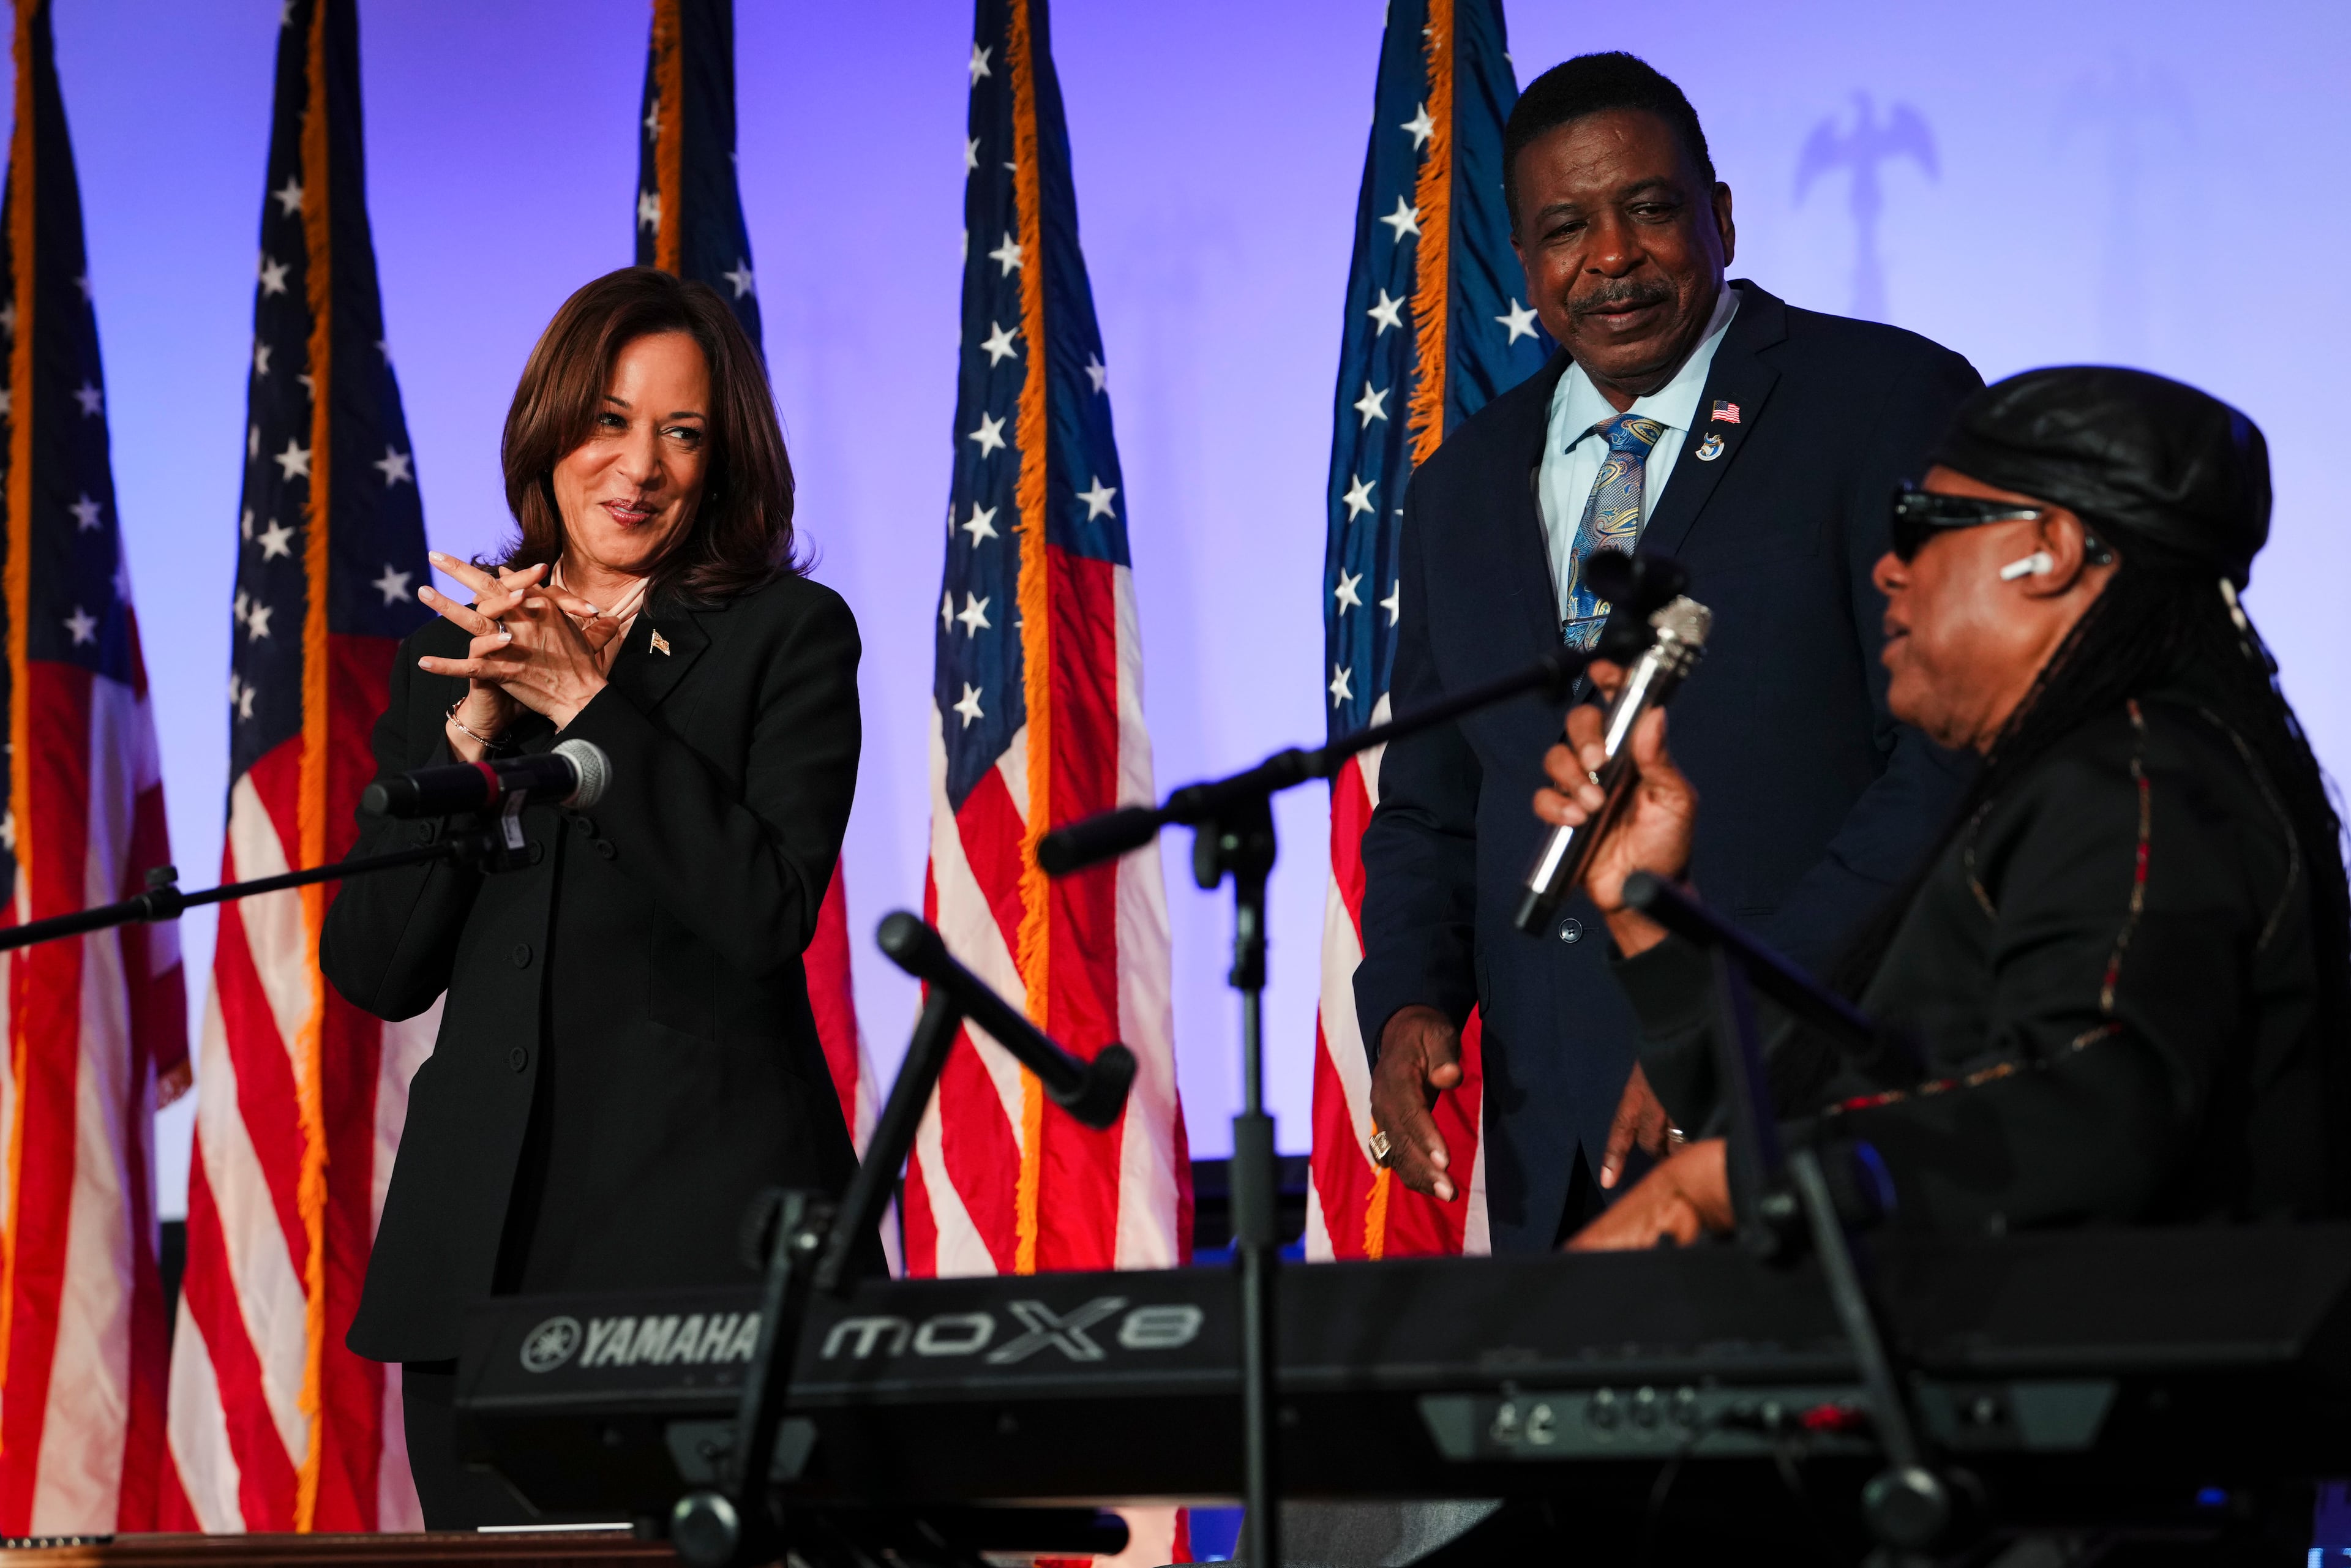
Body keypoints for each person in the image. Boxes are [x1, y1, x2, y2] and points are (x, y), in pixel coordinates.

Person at [1359, 52, 1982, 1250]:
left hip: (1818, 1103)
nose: (1612, 257)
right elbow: (1433, 803)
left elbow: (1944, 763)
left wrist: (1733, 1019)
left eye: (1649, 209)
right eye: (1564, 228)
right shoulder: (1464, 488)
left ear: (1722, 216)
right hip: (1560, 1137)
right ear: (1528, 264)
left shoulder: (1884, 399)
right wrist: (1408, 1000)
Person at [1542, 367, 2349, 1248]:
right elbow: (1818, 1115)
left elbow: (2087, 1119)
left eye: (1918, 526)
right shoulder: (2067, 787)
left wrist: (1719, 1185)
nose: (1889, 567)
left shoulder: (2135, 780)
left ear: (2052, 550)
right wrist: (1648, 917)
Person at [321, 267, 874, 1526]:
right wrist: (467, 730)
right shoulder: (463, 650)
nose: (639, 466)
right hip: (481, 1269)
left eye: (683, 432)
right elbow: (377, 969)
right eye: (608, 422)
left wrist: (589, 705)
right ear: (550, 430)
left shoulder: (788, 635)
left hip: (701, 1259)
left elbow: (766, 910)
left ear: (723, 458)